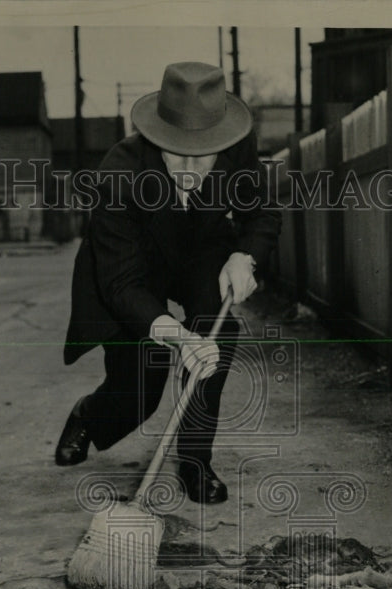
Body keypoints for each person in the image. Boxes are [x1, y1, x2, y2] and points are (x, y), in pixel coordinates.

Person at [55, 61, 281, 504]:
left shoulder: (236, 149)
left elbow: (263, 210)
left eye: (205, 154)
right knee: (142, 386)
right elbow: (121, 285)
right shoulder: (118, 174)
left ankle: (195, 462)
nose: (192, 169)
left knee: (215, 337)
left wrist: (245, 256)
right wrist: (175, 337)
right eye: (179, 153)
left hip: (201, 249)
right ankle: (89, 414)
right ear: (157, 139)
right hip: (132, 266)